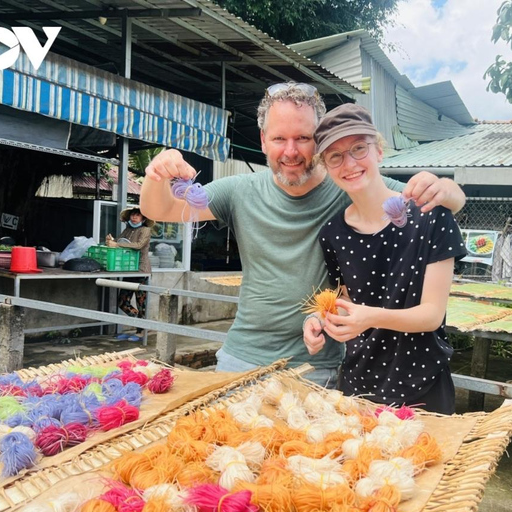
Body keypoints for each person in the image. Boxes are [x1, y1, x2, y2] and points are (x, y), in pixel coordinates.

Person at [140, 82, 466, 388]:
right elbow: (161, 211)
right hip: (241, 359)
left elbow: (440, 201)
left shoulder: (348, 186)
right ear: (263, 139)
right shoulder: (240, 191)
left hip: (318, 366)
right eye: (280, 139)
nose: (291, 151)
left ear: (319, 142)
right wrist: (156, 174)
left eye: (303, 138)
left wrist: (445, 187)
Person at [304, 103, 466, 413]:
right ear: (325, 166)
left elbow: (432, 315)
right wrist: (321, 319)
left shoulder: (432, 216)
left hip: (423, 385)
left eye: (358, 148)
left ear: (379, 150)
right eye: (335, 156)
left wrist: (369, 316)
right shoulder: (332, 234)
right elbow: (346, 302)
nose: (349, 163)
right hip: (358, 384)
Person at [108, 207, 153, 342]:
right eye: (133, 214)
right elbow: (117, 241)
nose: (134, 217)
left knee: (141, 303)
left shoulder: (145, 230)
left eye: (138, 215)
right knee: (122, 301)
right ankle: (143, 325)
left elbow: (139, 245)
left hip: (141, 270)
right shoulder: (127, 229)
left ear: (143, 218)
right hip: (128, 270)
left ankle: (141, 331)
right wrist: (110, 241)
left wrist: (116, 245)